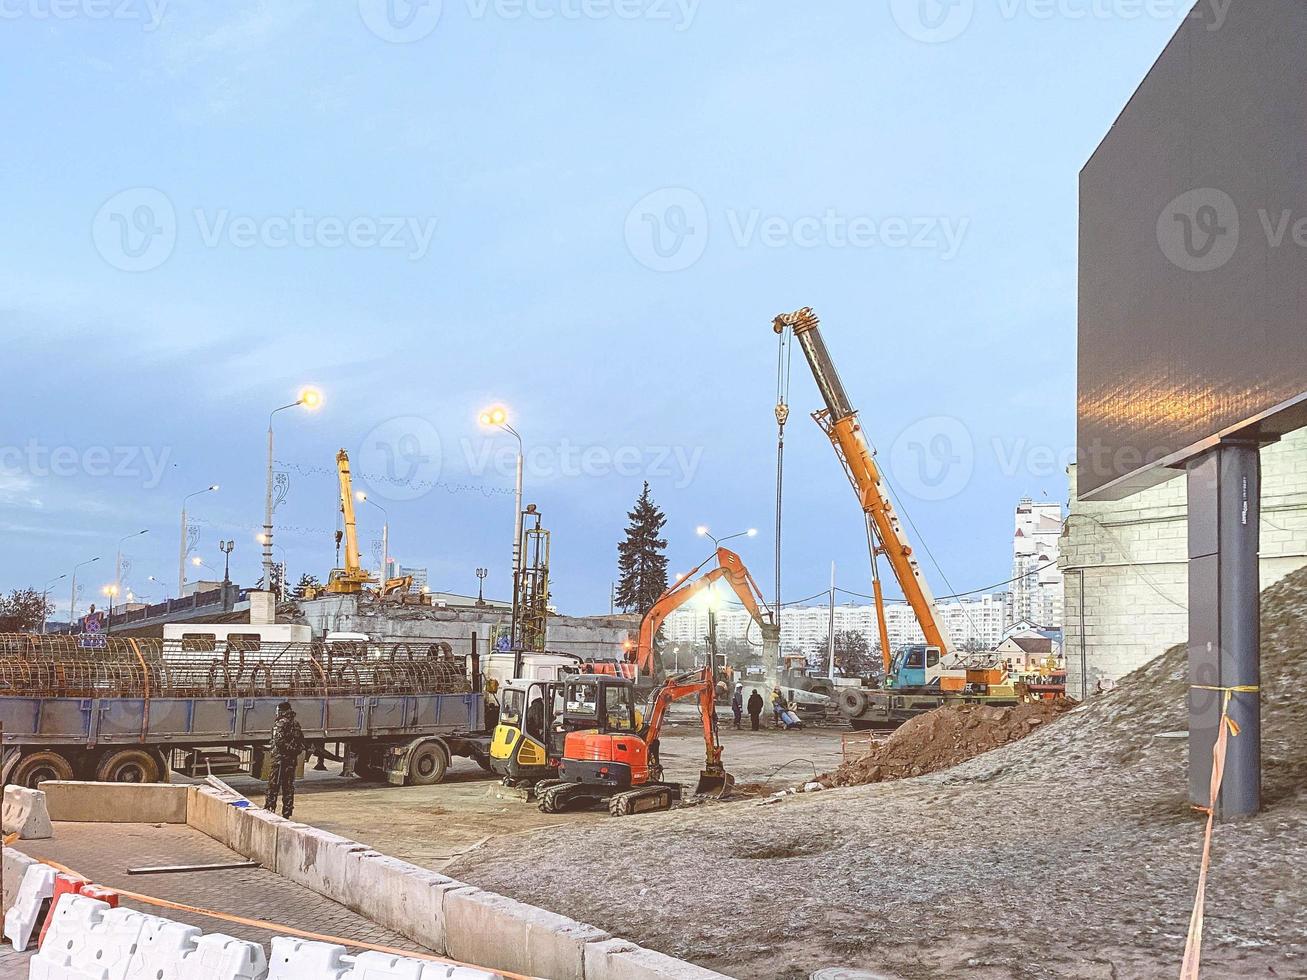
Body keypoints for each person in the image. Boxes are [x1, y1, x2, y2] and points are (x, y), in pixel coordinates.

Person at [265, 700, 305, 819]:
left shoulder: (281, 724)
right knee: (288, 786)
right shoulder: (296, 723)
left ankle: (269, 810)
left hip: (279, 761)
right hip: (291, 761)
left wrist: (285, 751)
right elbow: (301, 742)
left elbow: (279, 741)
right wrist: (292, 752)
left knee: (274, 785)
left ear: (281, 711)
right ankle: (287, 812)